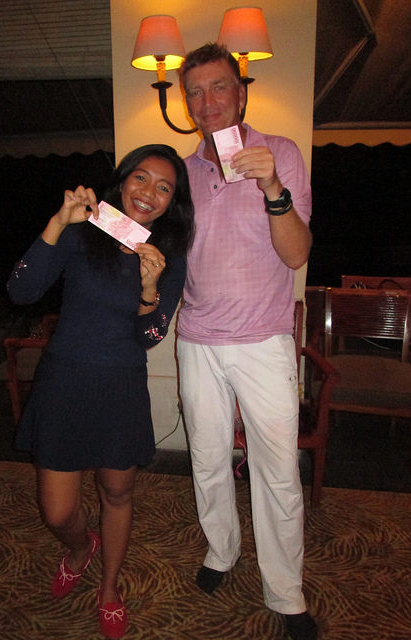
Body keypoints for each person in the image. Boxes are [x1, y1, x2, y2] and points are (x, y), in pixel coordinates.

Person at [7, 144, 194, 639]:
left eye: (164, 188)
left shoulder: (167, 258)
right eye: (141, 177)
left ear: (172, 203)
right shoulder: (84, 230)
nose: (148, 193)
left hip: (120, 389)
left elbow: (149, 336)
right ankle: (79, 547)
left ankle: (109, 587)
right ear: (123, 180)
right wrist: (59, 222)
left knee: (117, 492)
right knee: (57, 510)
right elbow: (20, 291)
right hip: (64, 383)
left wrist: (149, 291)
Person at [176, 44, 317, 640]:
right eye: (194, 92)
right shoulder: (182, 170)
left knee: (278, 471)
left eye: (218, 87)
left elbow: (297, 254)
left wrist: (272, 186)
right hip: (197, 340)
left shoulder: (280, 152)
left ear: (240, 93)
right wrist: (93, 219)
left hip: (263, 340)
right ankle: (221, 549)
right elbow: (147, 237)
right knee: (207, 459)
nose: (206, 102)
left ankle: (286, 591)